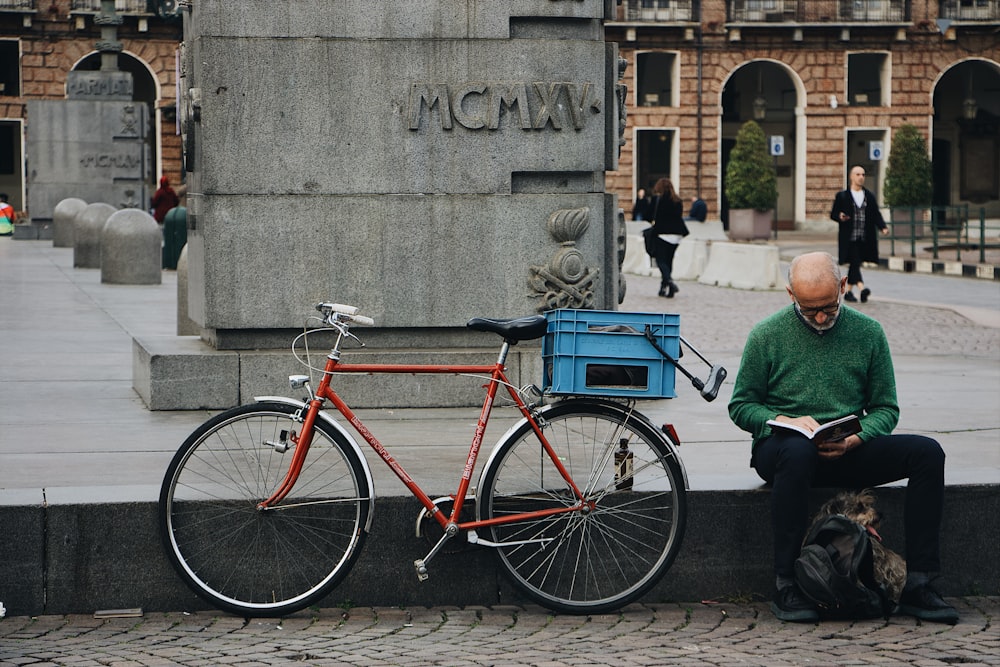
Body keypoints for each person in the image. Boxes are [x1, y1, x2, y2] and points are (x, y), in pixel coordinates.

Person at [728, 252, 957, 625]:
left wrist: (857, 439)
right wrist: (779, 419)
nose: (820, 317)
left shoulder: (868, 333)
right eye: (808, 309)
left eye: (829, 308)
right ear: (790, 294)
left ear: (843, 287)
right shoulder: (766, 334)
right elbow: (741, 406)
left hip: (847, 448)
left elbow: (886, 408)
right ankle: (787, 582)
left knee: (927, 453)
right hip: (784, 452)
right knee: (798, 452)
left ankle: (919, 584)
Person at [829, 165, 889, 303]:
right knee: (855, 260)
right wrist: (840, 216)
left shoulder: (869, 196)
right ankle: (862, 288)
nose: (861, 177)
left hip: (864, 236)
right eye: (858, 174)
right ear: (851, 177)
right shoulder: (842, 196)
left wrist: (882, 227)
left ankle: (849, 291)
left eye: (863, 174)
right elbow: (833, 214)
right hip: (848, 237)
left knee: (855, 263)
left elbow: (875, 214)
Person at [648, 177, 688, 298]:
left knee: (661, 261)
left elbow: (649, 215)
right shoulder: (678, 200)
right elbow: (679, 216)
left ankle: (670, 282)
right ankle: (665, 288)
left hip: (662, 234)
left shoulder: (657, 200)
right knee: (669, 261)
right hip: (677, 235)